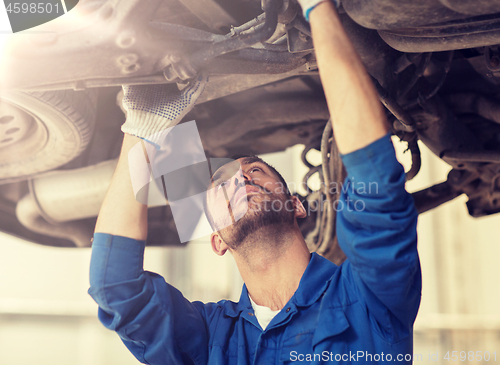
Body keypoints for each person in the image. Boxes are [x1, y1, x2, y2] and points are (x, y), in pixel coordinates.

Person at [88, 0, 421, 364]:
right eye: (220, 182)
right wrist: (140, 131)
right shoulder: (208, 335)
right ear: (216, 240)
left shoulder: (368, 300)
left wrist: (318, 8)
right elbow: (116, 289)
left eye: (255, 170)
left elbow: (376, 180)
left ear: (295, 204)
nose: (240, 177)